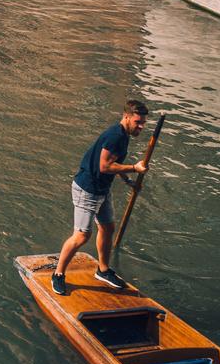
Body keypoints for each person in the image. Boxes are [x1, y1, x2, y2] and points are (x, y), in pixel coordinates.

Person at [51, 100, 150, 296]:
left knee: (107, 227)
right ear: (126, 117)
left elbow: (115, 162)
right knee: (81, 235)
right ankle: (58, 274)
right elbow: (105, 166)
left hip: (102, 189)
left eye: (143, 123)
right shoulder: (115, 136)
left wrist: (128, 180)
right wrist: (134, 168)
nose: (141, 126)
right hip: (87, 189)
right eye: (138, 122)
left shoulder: (124, 135)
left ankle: (102, 270)